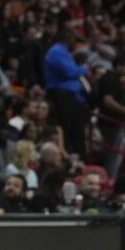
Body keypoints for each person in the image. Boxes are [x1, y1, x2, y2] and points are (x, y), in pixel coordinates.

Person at [44, 26, 89, 158]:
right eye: (74, 39)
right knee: (67, 129)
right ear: (68, 38)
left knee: (77, 130)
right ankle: (68, 156)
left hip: (71, 97)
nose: (75, 43)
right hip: (61, 95)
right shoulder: (56, 51)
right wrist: (84, 68)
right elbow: (70, 72)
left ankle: (80, 158)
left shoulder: (65, 52)